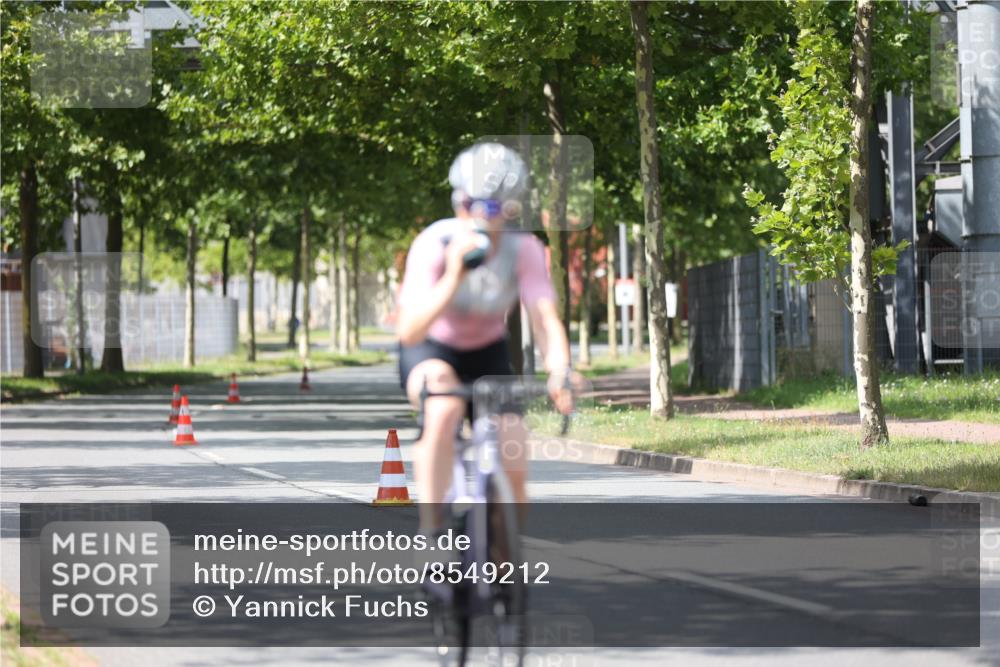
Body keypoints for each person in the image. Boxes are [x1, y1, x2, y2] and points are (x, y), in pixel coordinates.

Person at [396, 142, 572, 530]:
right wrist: (455, 273)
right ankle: (432, 533)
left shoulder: (523, 249)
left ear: (509, 210)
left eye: (488, 207)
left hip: (487, 353)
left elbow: (544, 318)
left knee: (514, 452)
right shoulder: (434, 244)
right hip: (431, 349)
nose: (472, 214)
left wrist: (560, 372)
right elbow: (409, 331)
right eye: (464, 202)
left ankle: (505, 562)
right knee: (443, 409)